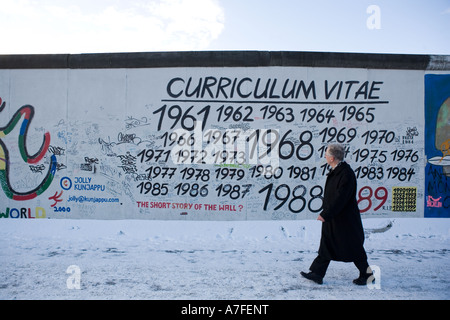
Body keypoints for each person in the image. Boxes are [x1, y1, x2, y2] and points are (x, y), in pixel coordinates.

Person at [301, 143, 372, 285]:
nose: (325, 157)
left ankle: (367, 275)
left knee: (354, 247)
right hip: (335, 217)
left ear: (332, 158)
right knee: (327, 243)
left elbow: (341, 198)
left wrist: (326, 213)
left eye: (327, 154)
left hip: (344, 219)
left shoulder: (345, 173)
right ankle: (317, 273)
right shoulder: (338, 171)